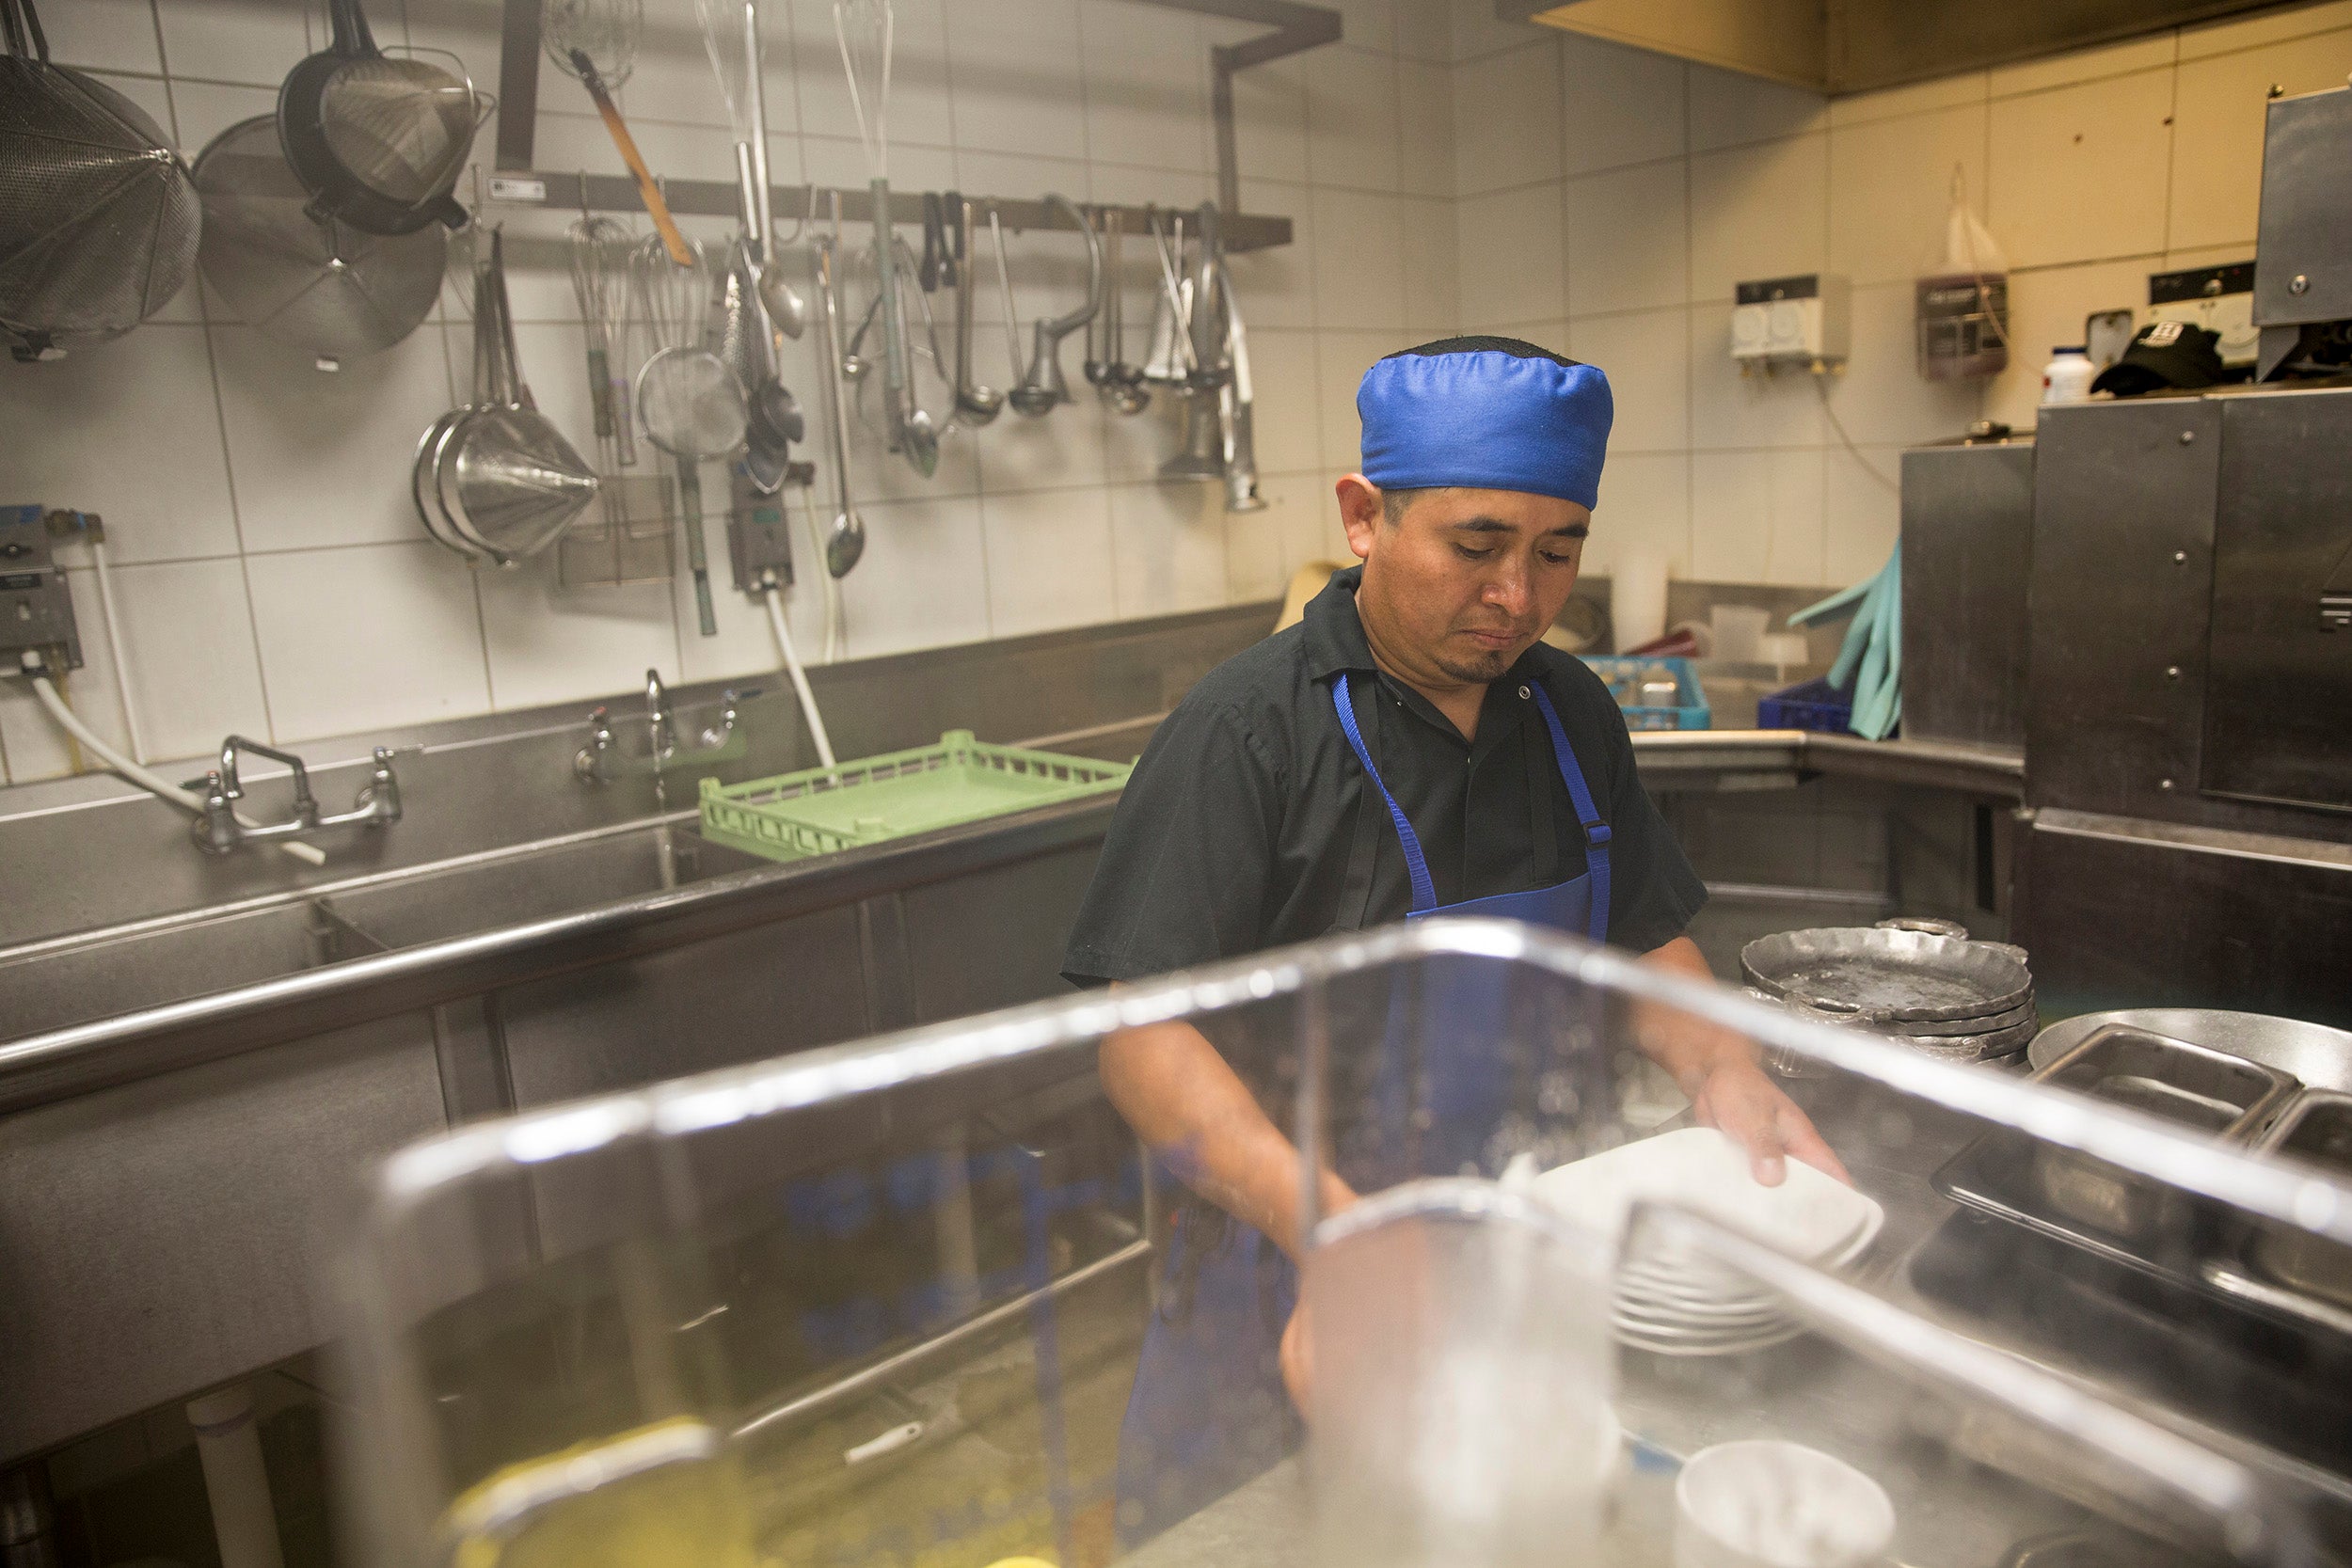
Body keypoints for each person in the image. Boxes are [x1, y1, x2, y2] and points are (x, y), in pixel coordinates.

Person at [1058, 336, 1845, 1546]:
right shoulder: (1248, 734)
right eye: (1476, 546)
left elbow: (1643, 935)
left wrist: (1721, 1068)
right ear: (1364, 516)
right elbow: (1140, 1038)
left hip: (1534, 1271)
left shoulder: (1571, 709)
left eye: (1556, 550)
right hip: (1293, 1272)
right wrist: (1338, 1236)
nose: (1518, 597)